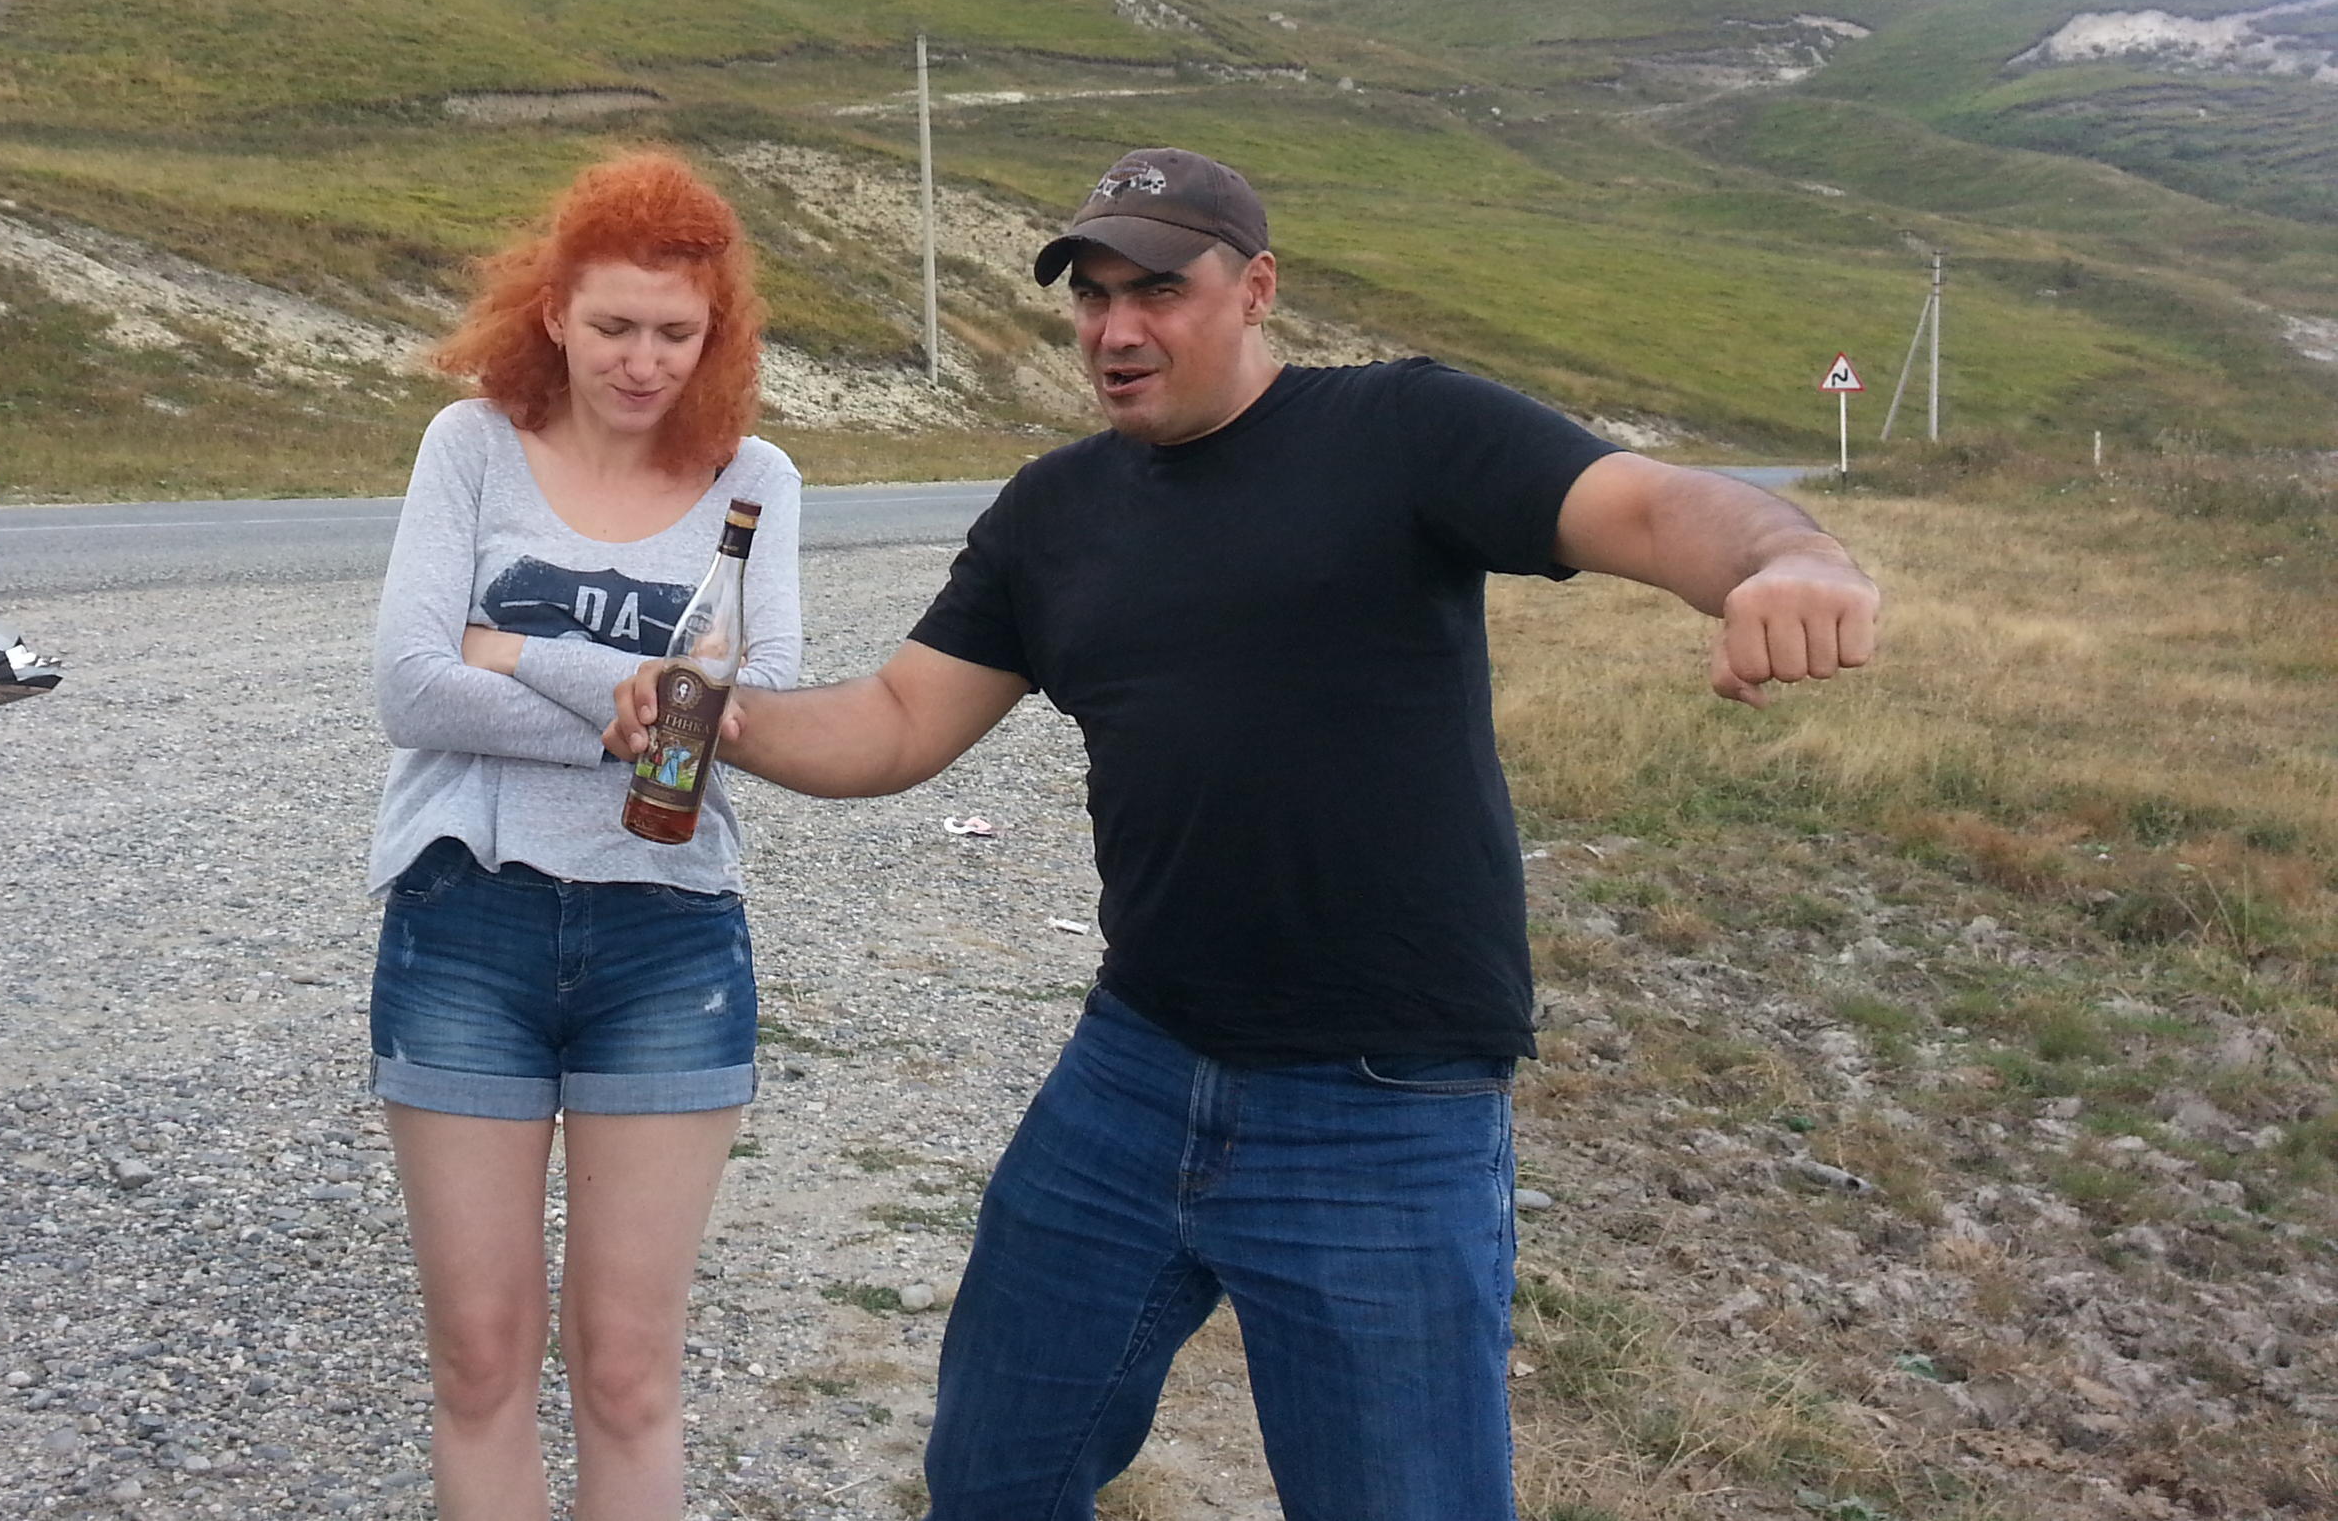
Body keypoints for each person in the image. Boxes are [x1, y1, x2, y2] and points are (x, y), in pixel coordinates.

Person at [608, 147, 1882, 1521]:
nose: (1117, 329)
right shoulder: (1053, 514)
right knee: (992, 1475)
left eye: (1158, 290)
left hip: (1382, 1106)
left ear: (1258, 288)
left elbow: (1648, 504)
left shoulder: (1404, 430)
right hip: (1135, 1071)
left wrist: (1789, 558)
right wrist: (723, 719)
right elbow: (899, 721)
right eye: (1093, 296)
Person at [368, 151, 803, 1521]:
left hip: (667, 937)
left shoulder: (754, 478)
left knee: (625, 1371)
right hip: (465, 921)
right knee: (480, 1361)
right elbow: (409, 689)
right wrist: (623, 706)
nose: (643, 362)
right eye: (614, 325)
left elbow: (754, 707)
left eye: (678, 333)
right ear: (553, 311)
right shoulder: (470, 445)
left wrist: (508, 647)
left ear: (717, 332)